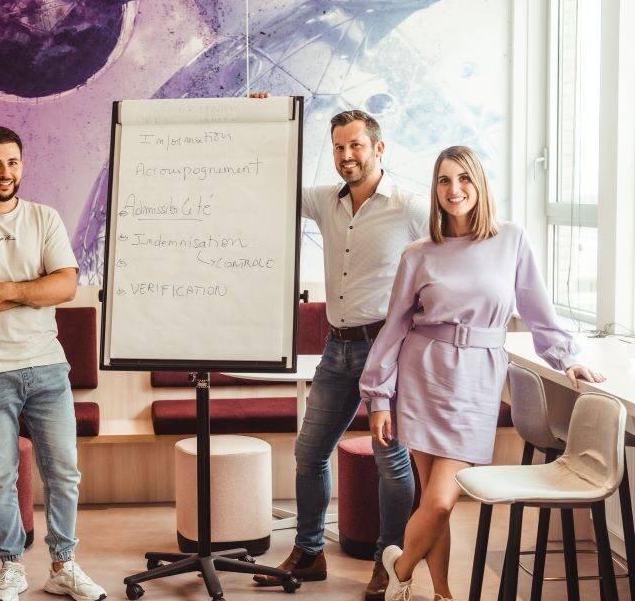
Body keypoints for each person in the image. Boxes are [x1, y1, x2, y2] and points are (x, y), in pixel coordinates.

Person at [359, 145, 604, 601]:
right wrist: (378, 398)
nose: (455, 190)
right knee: (436, 504)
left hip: (477, 379)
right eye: (444, 180)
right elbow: (393, 328)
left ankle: (398, 566)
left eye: (464, 178)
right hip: (423, 372)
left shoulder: (511, 239)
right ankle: (442, 593)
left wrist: (566, 356)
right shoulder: (418, 253)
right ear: (435, 190)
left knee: (439, 499)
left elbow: (537, 310)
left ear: (479, 184)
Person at [246, 105, 427, 600]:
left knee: (390, 460)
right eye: (339, 147)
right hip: (337, 348)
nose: (347, 156)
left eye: (356, 146)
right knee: (309, 453)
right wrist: (263, 120)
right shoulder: (326, 201)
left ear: (378, 148)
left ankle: (388, 561)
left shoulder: (410, 205)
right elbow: (269, 181)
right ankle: (308, 552)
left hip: (386, 351)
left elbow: (454, 252)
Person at [0, 126, 106, 601]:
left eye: (12, 162)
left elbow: (66, 288)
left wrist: (3, 290)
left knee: (64, 472)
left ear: (22, 165)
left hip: (48, 365)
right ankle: (11, 566)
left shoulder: (44, 218)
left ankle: (63, 565)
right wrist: (33, 288)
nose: (4, 172)